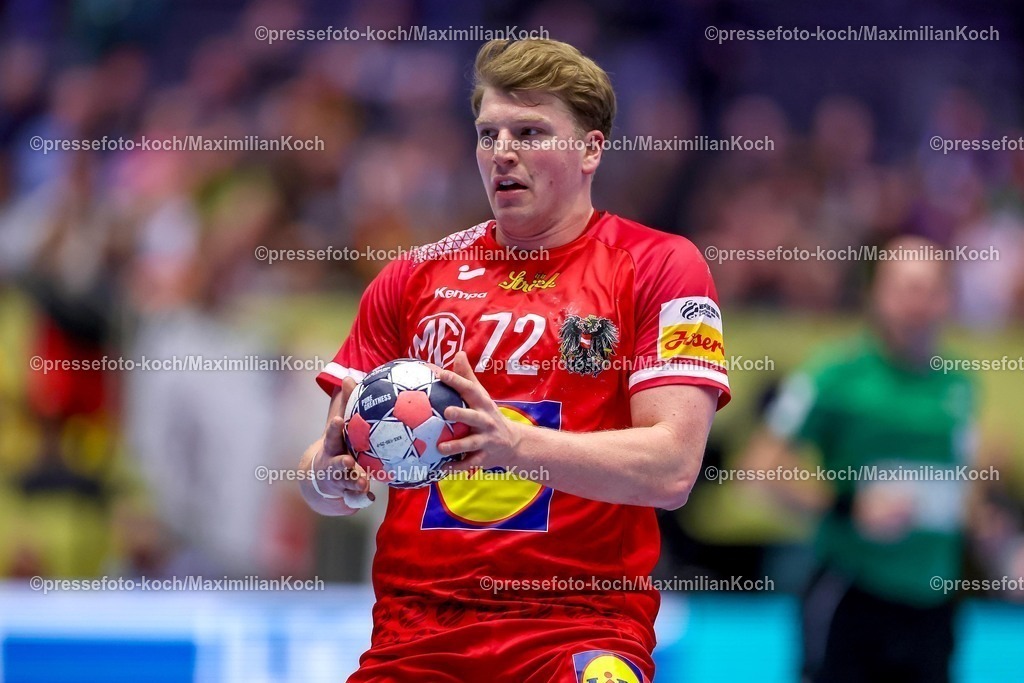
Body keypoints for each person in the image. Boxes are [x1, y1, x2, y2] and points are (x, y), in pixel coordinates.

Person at [298, 38, 730, 683]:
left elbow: (671, 470)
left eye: (529, 132)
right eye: (488, 134)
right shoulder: (412, 278)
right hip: (419, 631)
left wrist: (517, 448)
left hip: (579, 624)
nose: (503, 153)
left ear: (590, 149)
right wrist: (326, 479)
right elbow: (321, 473)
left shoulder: (660, 266)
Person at [742, 236, 978, 683]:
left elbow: (965, 483)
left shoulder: (961, 385)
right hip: (852, 597)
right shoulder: (833, 376)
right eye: (905, 288)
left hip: (935, 603)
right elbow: (760, 467)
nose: (917, 303)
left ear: (948, 298)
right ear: (877, 296)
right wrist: (850, 508)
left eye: (929, 289)